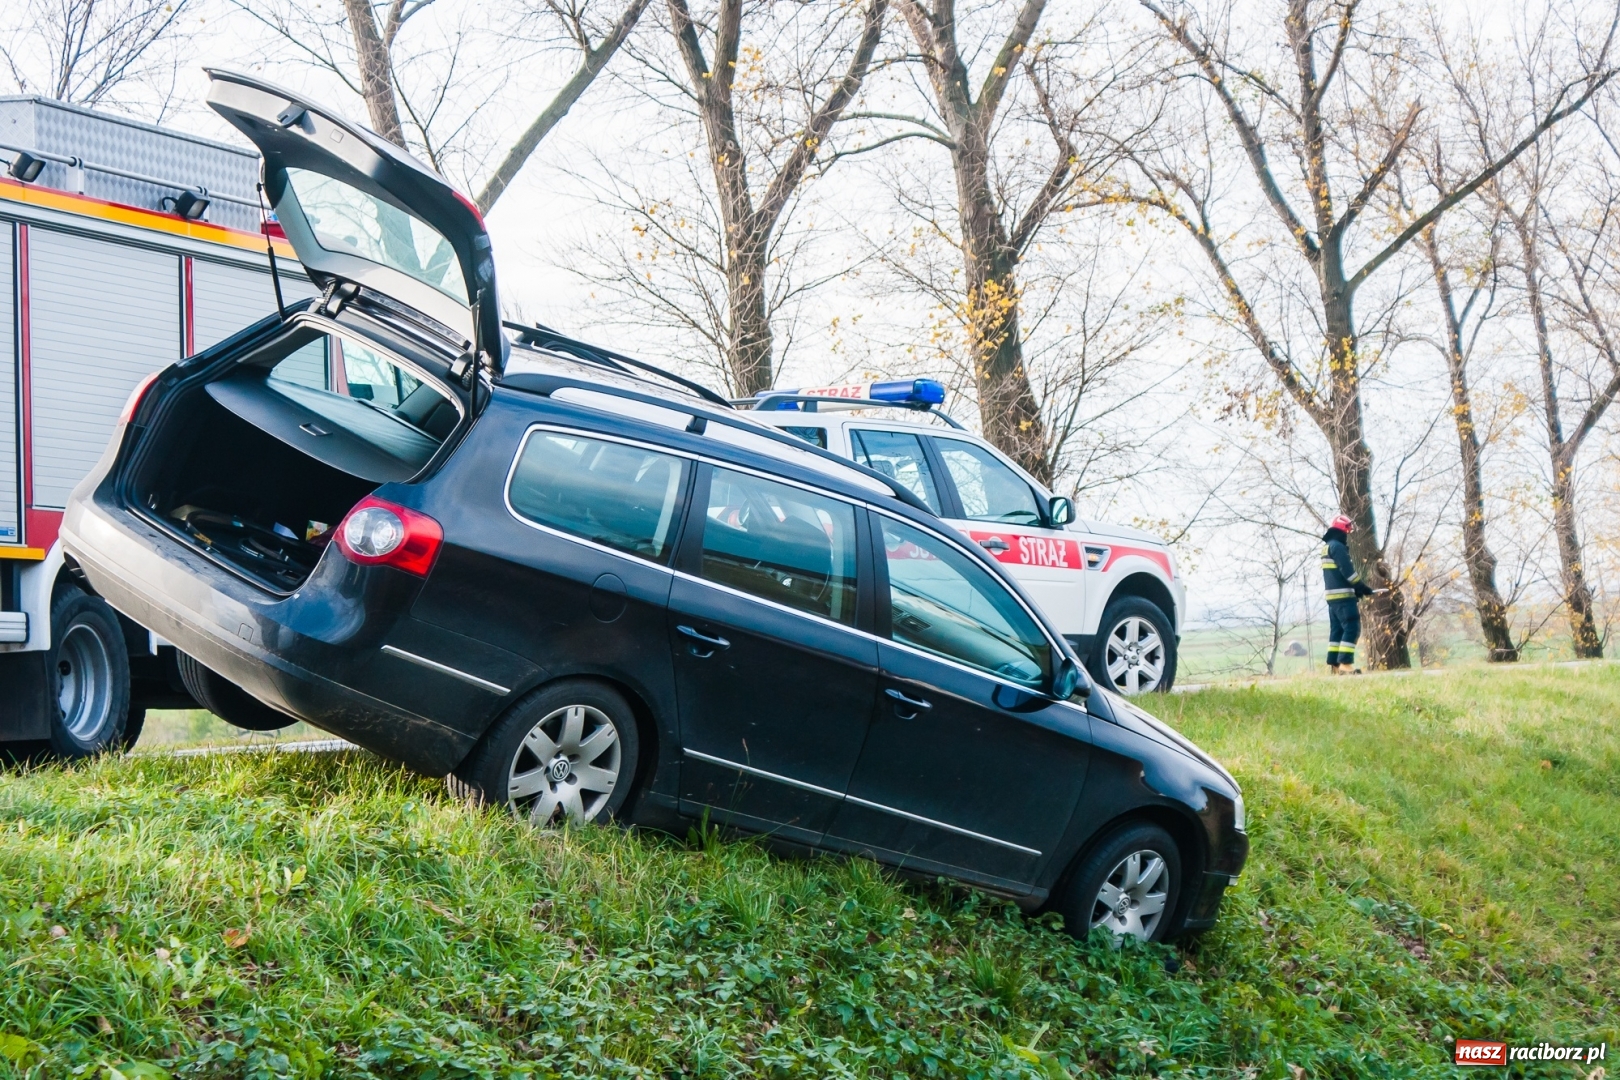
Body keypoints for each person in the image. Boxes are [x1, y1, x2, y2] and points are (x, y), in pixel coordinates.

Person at [1321, 514, 1373, 673]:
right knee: (1352, 627)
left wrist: (1354, 589)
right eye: (1347, 530)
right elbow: (1347, 571)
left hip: (1333, 598)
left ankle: (1335, 665)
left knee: (1337, 630)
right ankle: (1345, 663)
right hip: (1343, 598)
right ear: (1342, 529)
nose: (1348, 534)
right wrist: (1361, 587)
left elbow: (1336, 574)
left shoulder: (1328, 546)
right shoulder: (1338, 547)